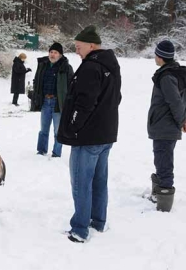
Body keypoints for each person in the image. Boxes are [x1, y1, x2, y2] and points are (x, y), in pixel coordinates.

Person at [57, 25, 122, 243]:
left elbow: (84, 103)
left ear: (91, 45)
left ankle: (79, 229)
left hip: (88, 138)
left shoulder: (90, 68)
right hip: (106, 135)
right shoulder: (110, 66)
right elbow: (116, 98)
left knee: (81, 182)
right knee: (99, 180)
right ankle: (98, 221)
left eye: (78, 47)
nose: (76, 51)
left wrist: (74, 126)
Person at [147, 40, 186, 212]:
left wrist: (183, 121)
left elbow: (175, 102)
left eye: (156, 54)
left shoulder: (167, 76)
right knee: (161, 160)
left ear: (160, 57)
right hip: (166, 126)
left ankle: (164, 205)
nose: (155, 57)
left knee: (164, 163)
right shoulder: (178, 73)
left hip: (164, 127)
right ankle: (157, 194)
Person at [32, 42, 74, 158]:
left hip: (58, 103)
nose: (52, 54)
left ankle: (56, 153)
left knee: (57, 131)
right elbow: (37, 80)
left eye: (55, 52)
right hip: (45, 101)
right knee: (43, 130)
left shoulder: (66, 67)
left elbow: (72, 86)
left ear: (60, 55)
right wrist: (35, 95)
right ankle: (41, 151)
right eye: (51, 52)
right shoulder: (43, 65)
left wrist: (69, 102)